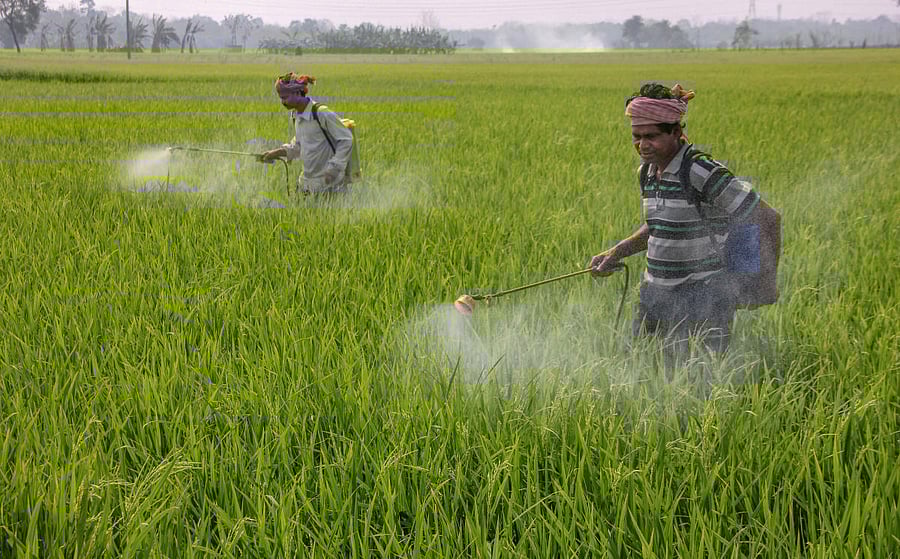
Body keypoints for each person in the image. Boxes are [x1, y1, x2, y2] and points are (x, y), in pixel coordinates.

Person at [589, 83, 781, 366]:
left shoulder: (700, 170)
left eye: (652, 136)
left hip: (703, 295)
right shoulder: (647, 172)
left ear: (676, 132)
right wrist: (617, 252)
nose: (642, 144)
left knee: (701, 381)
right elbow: (659, 226)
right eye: (637, 136)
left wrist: (763, 281)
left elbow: (766, 217)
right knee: (645, 370)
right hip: (654, 293)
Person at [259, 72, 353, 195]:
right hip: (307, 183)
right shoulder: (296, 116)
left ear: (298, 93)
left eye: (285, 97)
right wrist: (276, 153)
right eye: (281, 98)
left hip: (330, 184)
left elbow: (346, 139)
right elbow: (298, 146)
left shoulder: (321, 113)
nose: (283, 102)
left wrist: (334, 169)